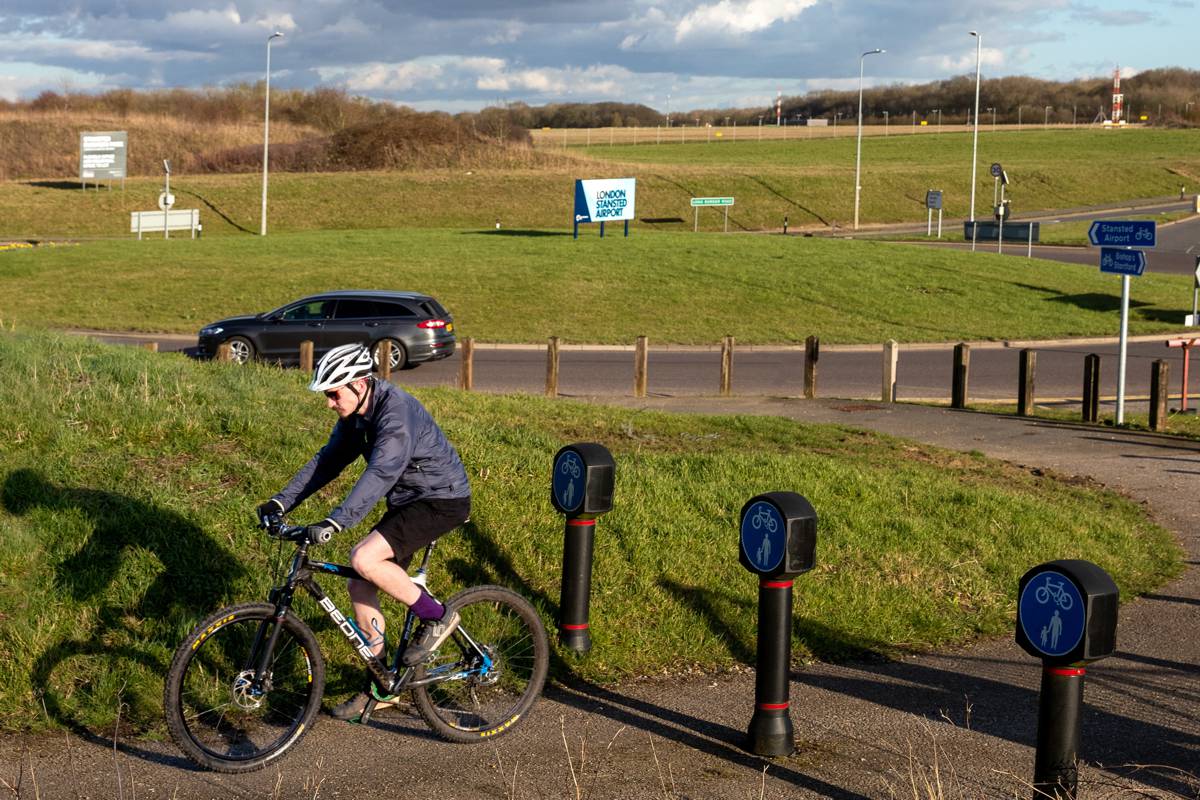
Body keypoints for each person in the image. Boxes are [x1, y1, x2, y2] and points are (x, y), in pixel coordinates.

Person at [256, 342, 471, 720]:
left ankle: (437, 616)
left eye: (333, 393)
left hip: (441, 499)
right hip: (407, 502)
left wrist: (337, 521)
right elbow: (327, 462)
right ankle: (381, 684)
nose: (328, 402)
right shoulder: (358, 414)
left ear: (358, 384)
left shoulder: (395, 415)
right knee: (359, 582)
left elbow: (380, 474)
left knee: (364, 557)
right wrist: (280, 502)